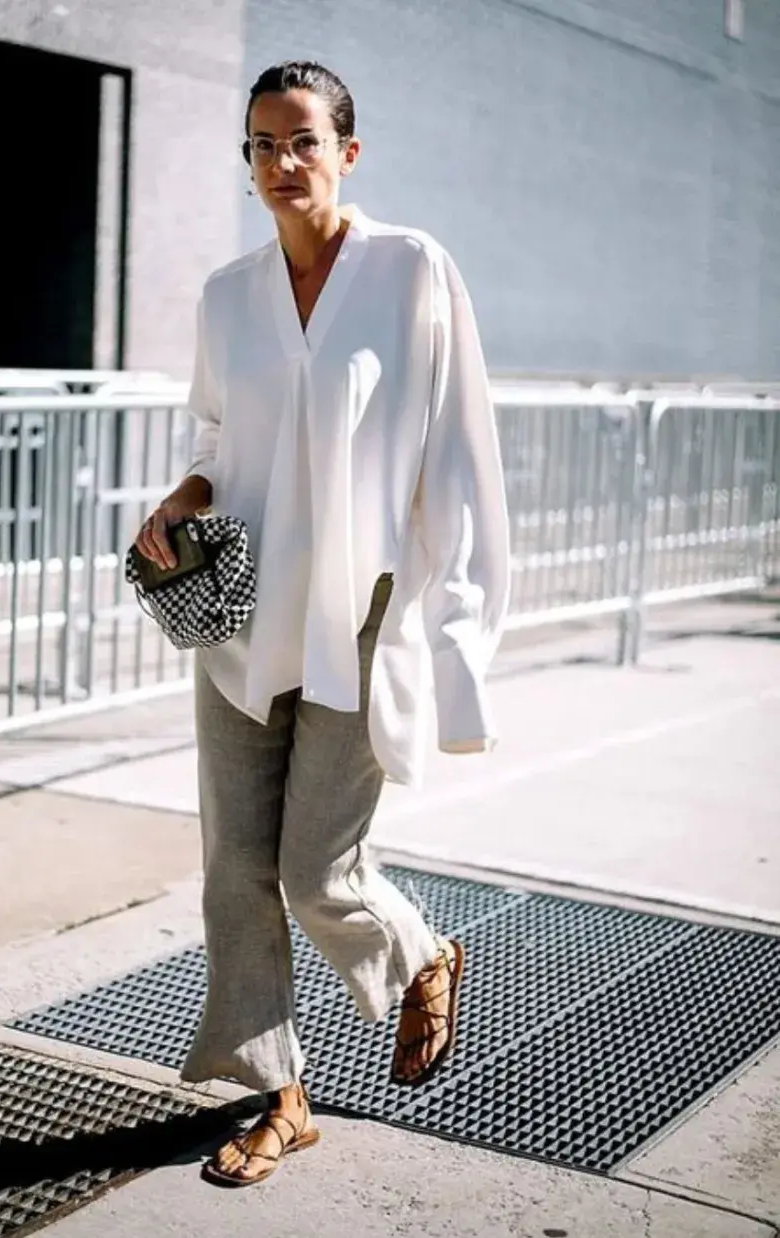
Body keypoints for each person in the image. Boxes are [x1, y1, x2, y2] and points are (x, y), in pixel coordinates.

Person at [134, 60, 510, 1188]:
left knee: (316, 870)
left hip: (362, 614)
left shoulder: (412, 272)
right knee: (232, 870)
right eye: (260, 144)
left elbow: (460, 453)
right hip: (244, 620)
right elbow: (216, 439)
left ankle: (420, 951)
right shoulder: (225, 294)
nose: (280, 163)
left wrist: (459, 634)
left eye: (302, 140)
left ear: (348, 150)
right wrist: (184, 496)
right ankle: (275, 1095)